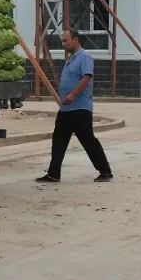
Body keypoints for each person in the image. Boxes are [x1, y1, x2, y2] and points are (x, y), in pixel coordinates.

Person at [35, 30, 112, 184]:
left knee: (88, 140)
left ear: (76, 40)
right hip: (66, 109)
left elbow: (86, 77)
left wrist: (73, 95)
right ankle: (53, 174)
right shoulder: (71, 59)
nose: (63, 44)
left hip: (80, 108)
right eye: (62, 41)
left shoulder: (84, 57)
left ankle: (105, 171)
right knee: (58, 140)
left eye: (66, 41)